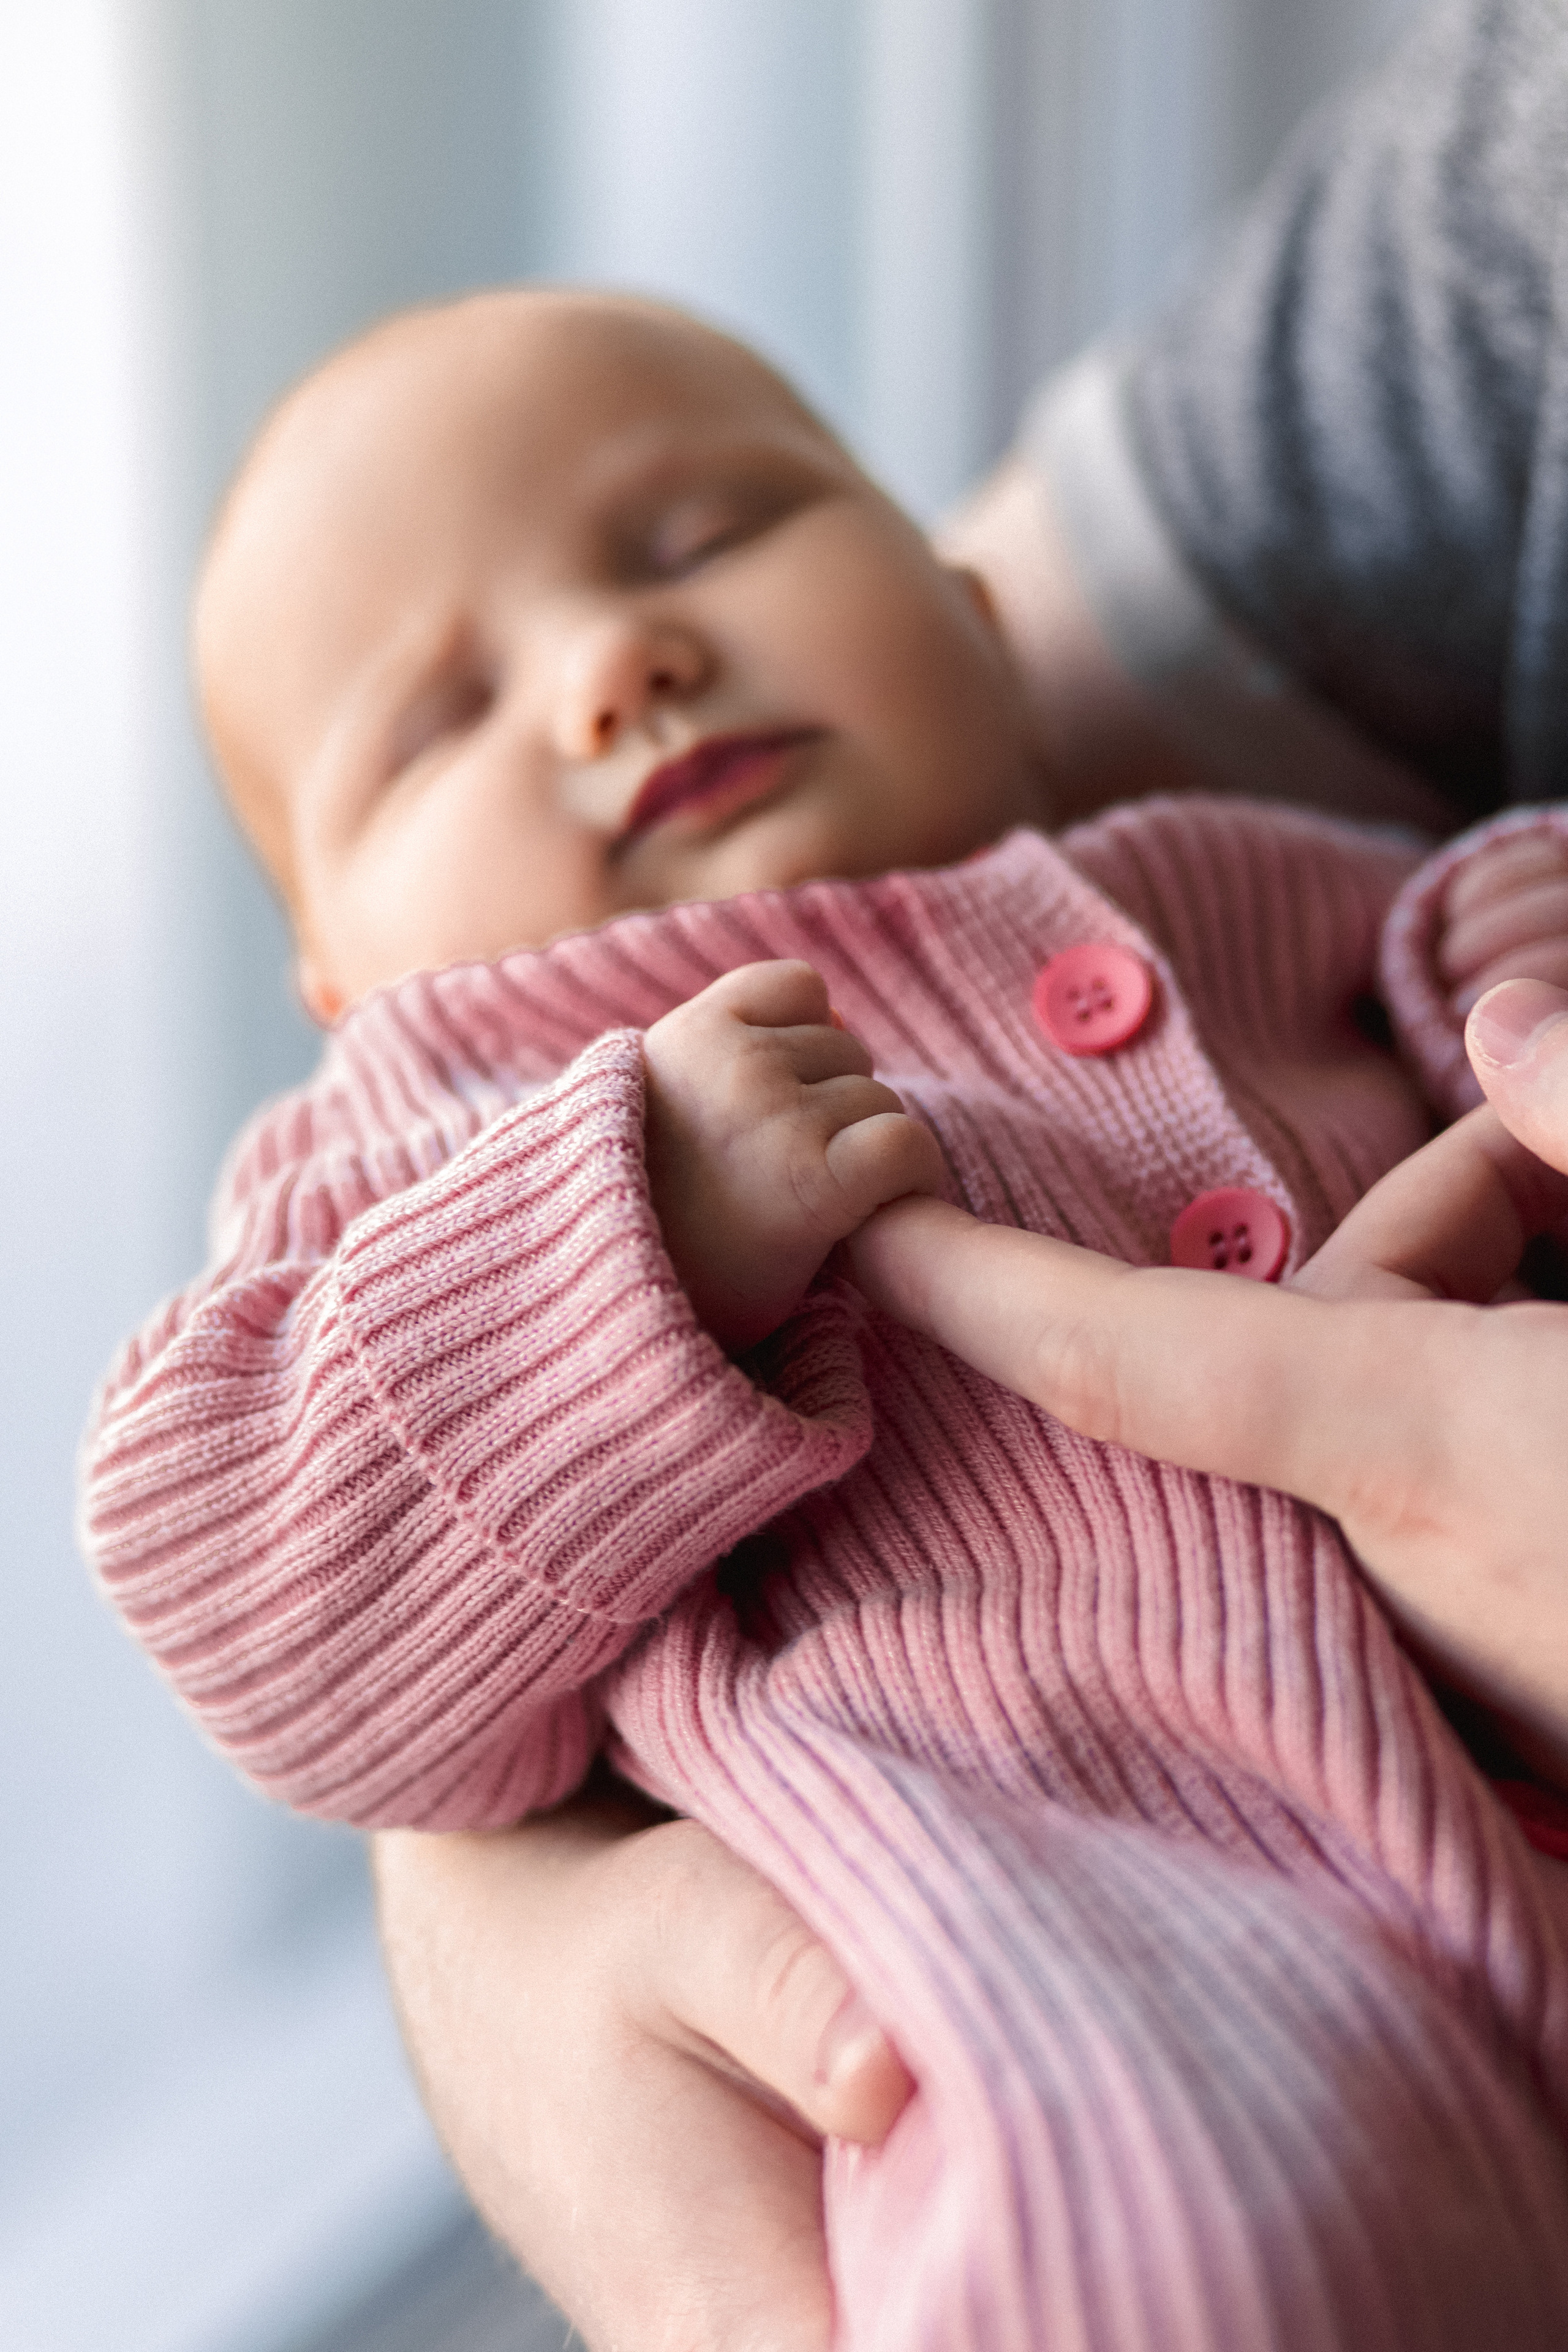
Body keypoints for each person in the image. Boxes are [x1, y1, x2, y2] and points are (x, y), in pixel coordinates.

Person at [80, 272, 1568, 2350]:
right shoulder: (420, 1143)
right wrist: (621, 1237)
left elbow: (1481, 1037)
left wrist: (1499, 951)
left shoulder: (1237, 877)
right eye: (436, 720)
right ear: (343, 974)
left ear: (978, 624)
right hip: (1081, 1977)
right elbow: (245, 1602)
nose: (617, 663)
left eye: (707, 536)